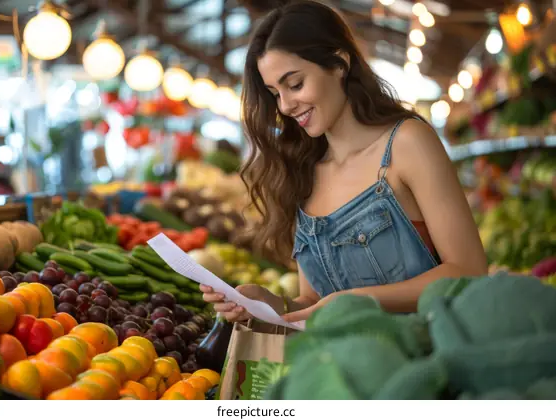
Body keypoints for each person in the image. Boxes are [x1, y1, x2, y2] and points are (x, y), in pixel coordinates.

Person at [200, 0, 488, 323]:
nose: (285, 106)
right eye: (274, 93)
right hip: (341, 367)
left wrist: (355, 300)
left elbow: (470, 272)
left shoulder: (407, 144)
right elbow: (314, 301)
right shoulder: (302, 172)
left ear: (339, 64)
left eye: (295, 84)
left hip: (427, 361)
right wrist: (270, 305)